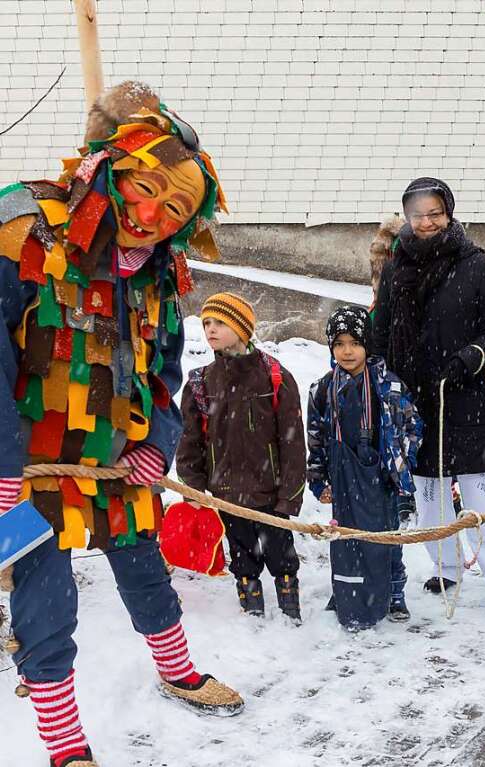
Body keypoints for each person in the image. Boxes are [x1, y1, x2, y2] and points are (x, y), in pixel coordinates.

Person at [0, 81, 242, 767]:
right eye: (146, 188)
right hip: (27, 467)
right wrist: (1, 461)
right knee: (45, 602)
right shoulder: (23, 224)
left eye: (175, 209)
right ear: (111, 166)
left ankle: (176, 669)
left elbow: (165, 370)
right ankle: (65, 744)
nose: (154, 215)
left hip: (115, 459)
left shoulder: (158, 273)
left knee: (146, 572)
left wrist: (156, 441)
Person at [371, 177, 485, 610]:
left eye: (435, 212)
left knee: (482, 494)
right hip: (416, 397)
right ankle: (445, 567)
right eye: (419, 214)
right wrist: (383, 375)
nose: (427, 221)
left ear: (449, 213)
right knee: (429, 493)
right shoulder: (398, 266)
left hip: (467, 395)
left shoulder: (475, 263)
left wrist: (469, 358)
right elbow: (381, 326)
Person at [176, 293, 306, 621]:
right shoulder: (200, 383)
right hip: (226, 493)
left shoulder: (275, 377)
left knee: (279, 550)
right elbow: (189, 441)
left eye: (219, 322)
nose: (210, 329)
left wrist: (289, 496)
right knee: (242, 552)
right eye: (206, 322)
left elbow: (292, 443)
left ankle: (289, 598)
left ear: (242, 328)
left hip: (269, 491)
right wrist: (192, 486)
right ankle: (250, 600)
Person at [308, 305, 422, 628]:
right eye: (340, 343)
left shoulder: (388, 386)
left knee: (386, 538)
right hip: (343, 477)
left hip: (381, 476)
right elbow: (314, 439)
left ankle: (394, 591)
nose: (347, 351)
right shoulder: (322, 390)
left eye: (355, 343)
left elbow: (413, 426)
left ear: (367, 345)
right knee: (346, 539)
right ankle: (345, 590)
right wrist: (318, 480)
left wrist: (401, 461)